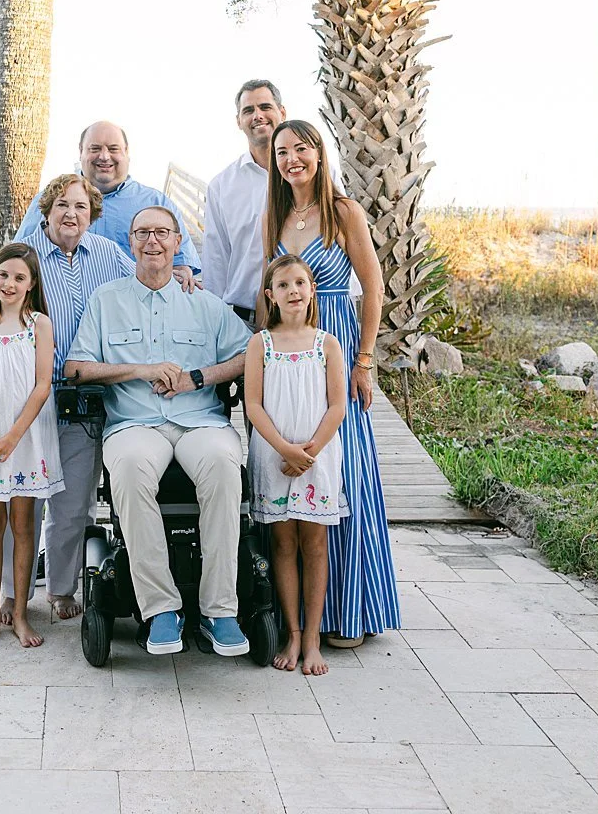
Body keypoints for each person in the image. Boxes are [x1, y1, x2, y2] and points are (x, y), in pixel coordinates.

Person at [65, 206, 253, 656]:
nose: (153, 241)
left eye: (163, 233)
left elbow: (251, 353)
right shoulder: (106, 301)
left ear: (177, 242)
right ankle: (161, 609)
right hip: (134, 424)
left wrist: (198, 378)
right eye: (143, 232)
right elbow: (76, 367)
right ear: (130, 242)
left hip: (200, 420)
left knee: (224, 465)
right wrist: (140, 369)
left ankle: (220, 610)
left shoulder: (204, 303)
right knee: (129, 468)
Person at [0, 173, 134, 624]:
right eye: (62, 205)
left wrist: (183, 275)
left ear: (92, 214)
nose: (71, 214)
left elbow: (141, 286)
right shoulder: (24, 258)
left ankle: (61, 589)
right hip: (23, 403)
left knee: (72, 504)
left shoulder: (108, 254)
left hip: (83, 402)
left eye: (80, 207)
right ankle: (9, 594)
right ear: (46, 211)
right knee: (16, 503)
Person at [265, 119, 401, 646]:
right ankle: (296, 618)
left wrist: (364, 360)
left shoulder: (343, 212)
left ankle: (351, 611)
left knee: (345, 472)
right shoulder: (274, 214)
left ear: (319, 154)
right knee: (295, 469)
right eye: (282, 152)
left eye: (301, 149)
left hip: (336, 343)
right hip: (288, 353)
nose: (292, 159)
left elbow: (372, 287)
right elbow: (264, 289)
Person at [243, 252, 348, 675]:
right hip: (274, 455)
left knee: (316, 545)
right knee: (283, 545)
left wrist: (308, 452)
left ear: (312, 290)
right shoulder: (261, 344)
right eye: (283, 285)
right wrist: (285, 450)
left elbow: (337, 406)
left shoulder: (327, 344)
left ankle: (314, 638)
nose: (293, 291)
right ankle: (292, 632)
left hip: (317, 458)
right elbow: (253, 405)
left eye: (300, 283)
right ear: (270, 295)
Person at [0, 243, 61, 650]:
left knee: (23, 525)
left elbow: (42, 386)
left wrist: (14, 436)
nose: (10, 283)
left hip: (24, 439)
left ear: (32, 283)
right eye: (3, 275)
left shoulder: (39, 325)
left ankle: (19, 613)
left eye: (20, 277)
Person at [13, 120, 202, 280]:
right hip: (61, 306)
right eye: (95, 148)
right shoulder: (49, 199)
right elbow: (16, 258)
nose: (104, 156)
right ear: (81, 152)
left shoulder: (157, 204)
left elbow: (180, 266)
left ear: (126, 152)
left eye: (113, 149)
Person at [202, 80, 289, 324]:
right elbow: (215, 259)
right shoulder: (221, 186)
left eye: (265, 107)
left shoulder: (318, 173)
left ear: (282, 112)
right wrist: (214, 324)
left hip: (310, 319)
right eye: (248, 110)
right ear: (239, 121)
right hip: (245, 323)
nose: (257, 116)